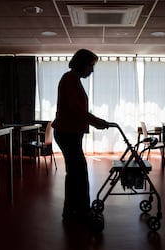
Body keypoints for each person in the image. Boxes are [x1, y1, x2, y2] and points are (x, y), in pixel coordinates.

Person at [52, 49, 110, 223]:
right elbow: (75, 109)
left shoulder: (73, 79)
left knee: (76, 172)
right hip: (66, 133)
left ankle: (73, 210)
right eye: (90, 65)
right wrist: (96, 121)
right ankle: (79, 211)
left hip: (69, 132)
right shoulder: (70, 79)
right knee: (78, 171)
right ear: (82, 64)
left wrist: (95, 121)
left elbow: (77, 109)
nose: (91, 70)